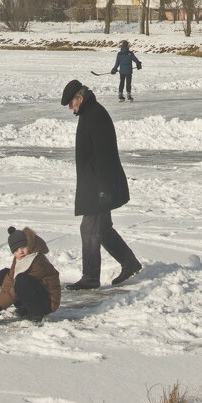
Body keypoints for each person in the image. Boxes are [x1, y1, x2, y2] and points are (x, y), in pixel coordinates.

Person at [60, 79, 141, 290]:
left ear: (80, 96)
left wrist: (104, 189)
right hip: (95, 184)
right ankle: (129, 262)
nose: (70, 107)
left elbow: (105, 155)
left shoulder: (95, 115)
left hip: (99, 186)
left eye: (71, 102)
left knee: (89, 229)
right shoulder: (89, 113)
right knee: (102, 228)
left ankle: (90, 277)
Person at [0, 226, 61, 324]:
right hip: (32, 295)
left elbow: (16, 288)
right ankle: (24, 308)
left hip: (47, 303)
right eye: (16, 250)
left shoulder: (37, 260)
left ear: (29, 245)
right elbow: (10, 282)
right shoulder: (20, 259)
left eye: (23, 247)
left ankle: (37, 314)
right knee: (4, 274)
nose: (20, 252)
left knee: (22, 280)